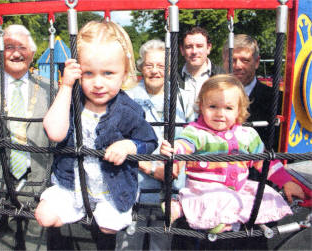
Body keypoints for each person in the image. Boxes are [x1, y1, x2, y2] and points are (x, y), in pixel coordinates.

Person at [34, 20, 158, 249]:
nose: (98, 83)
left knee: (108, 225)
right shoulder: (72, 99)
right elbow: (54, 132)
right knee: (44, 216)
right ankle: (78, 210)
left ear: (124, 74)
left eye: (108, 73)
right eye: (89, 73)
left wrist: (129, 146)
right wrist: (66, 87)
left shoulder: (128, 109)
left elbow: (149, 140)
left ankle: (99, 211)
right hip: (71, 186)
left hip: (111, 189)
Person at [160, 74, 304, 234]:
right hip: (205, 189)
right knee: (217, 199)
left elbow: (265, 162)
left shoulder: (247, 135)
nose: (220, 114)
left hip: (239, 189)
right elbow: (184, 145)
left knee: (265, 196)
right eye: (213, 107)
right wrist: (173, 150)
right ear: (201, 107)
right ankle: (179, 206)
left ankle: (231, 222)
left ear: (239, 111)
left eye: (228, 108)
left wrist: (286, 182)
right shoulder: (197, 132)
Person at [0, 24, 53, 250]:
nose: (16, 52)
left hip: (37, 189)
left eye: (22, 47)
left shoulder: (50, 90)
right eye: (9, 46)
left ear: (32, 53)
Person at [115, 39, 195, 250]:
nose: (155, 71)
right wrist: (150, 168)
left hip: (169, 185)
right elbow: (117, 139)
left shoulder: (182, 98)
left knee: (161, 243)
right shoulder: (127, 98)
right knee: (128, 242)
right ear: (141, 66)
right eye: (149, 65)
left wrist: (174, 167)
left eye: (161, 66)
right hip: (135, 183)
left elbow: (191, 138)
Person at [222, 34, 282, 150]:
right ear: (224, 61)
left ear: (257, 62)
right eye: (232, 60)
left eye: (245, 60)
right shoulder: (212, 98)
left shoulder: (277, 99)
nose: (238, 66)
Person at [178, 26, 224, 113]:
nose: (194, 51)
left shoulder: (223, 77)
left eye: (199, 46)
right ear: (182, 50)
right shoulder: (172, 79)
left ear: (208, 48)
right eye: (189, 47)